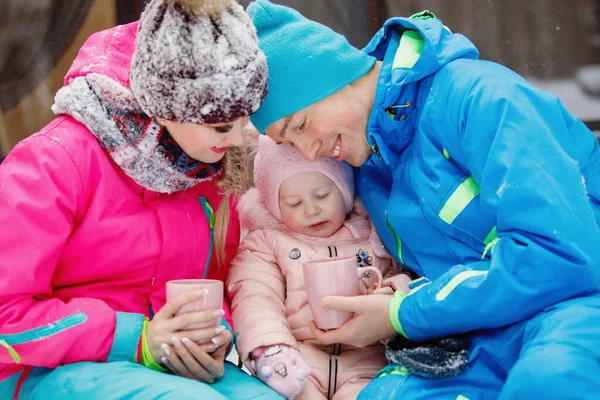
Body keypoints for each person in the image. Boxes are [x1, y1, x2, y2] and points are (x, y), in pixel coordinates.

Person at [245, 1, 600, 399]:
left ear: (336, 76)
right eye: (289, 143)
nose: (308, 154)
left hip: (573, 307)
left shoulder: (481, 98)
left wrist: (402, 314)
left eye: (302, 126)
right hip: (472, 338)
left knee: (550, 383)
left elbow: (560, 255)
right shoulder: (370, 166)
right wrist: (390, 296)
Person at [0, 0, 283, 399]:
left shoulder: (205, 162)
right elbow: (4, 312)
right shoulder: (54, 160)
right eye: (221, 124)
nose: (238, 140)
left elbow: (210, 285)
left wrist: (209, 336)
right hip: (43, 369)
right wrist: (136, 340)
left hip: (161, 366)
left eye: (245, 119)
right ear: (164, 105)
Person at [227, 136, 416, 400]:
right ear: (275, 207)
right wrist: (272, 347)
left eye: (322, 195)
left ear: (346, 192)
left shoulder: (375, 236)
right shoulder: (267, 244)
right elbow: (255, 296)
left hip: (366, 361)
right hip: (298, 360)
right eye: (294, 203)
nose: (312, 209)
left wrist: (388, 294)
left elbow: (405, 277)